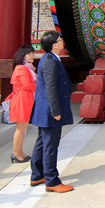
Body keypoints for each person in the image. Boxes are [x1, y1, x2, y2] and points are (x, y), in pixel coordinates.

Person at [30, 31, 74, 193]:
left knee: (42, 142)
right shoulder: (49, 61)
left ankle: (37, 175)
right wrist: (55, 110)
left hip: (46, 110)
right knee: (50, 145)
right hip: (50, 111)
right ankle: (52, 180)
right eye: (60, 40)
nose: (62, 41)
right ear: (54, 44)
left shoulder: (51, 59)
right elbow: (50, 88)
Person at [5, 45, 37, 164]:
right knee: (20, 129)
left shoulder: (26, 68)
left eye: (32, 53)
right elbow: (27, 85)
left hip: (24, 100)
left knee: (23, 129)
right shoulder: (22, 69)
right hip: (21, 101)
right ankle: (16, 153)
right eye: (29, 54)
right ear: (22, 56)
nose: (32, 56)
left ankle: (20, 152)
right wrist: (42, 86)